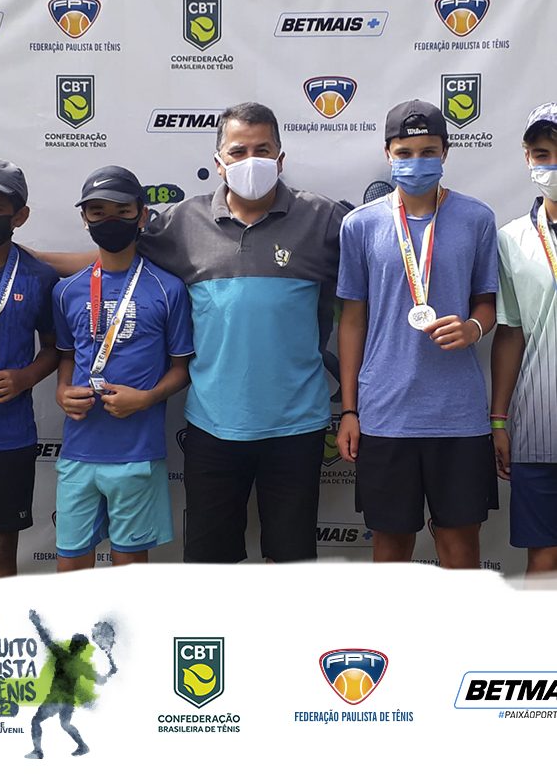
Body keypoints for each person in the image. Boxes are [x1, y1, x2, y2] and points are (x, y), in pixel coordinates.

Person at [138, 101, 348, 563]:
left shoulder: (323, 218)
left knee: (292, 561)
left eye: (262, 150)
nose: (250, 161)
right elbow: (117, 263)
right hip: (213, 424)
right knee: (211, 564)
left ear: (280, 158)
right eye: (238, 151)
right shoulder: (183, 222)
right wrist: (27, 261)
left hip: (297, 424)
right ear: (219, 162)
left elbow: (379, 276)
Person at [336, 99, 498, 568]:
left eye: (428, 152)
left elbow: (487, 304)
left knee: (461, 547)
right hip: (385, 413)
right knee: (390, 550)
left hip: (458, 413)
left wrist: (472, 328)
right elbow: (352, 320)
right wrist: (350, 409)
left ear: (445, 152)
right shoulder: (360, 225)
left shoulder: (477, 218)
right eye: (404, 153)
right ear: (388, 153)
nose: (416, 162)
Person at [52, 165, 193, 571]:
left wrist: (147, 398)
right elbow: (66, 355)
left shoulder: (169, 289)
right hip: (78, 449)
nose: (110, 220)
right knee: (70, 562)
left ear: (142, 215)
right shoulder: (66, 290)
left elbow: (182, 367)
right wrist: (62, 391)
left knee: (129, 565)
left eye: (122, 211)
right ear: (85, 218)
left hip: (137, 452)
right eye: (98, 212)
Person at [0, 158, 58, 584]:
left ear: (19, 216)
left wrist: (25, 377)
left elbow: (55, 349)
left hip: (7, 440)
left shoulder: (39, 276)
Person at [491, 102, 557, 575]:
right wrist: (499, 419)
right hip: (540, 425)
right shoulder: (511, 239)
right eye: (542, 154)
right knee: (544, 561)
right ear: (527, 156)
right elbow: (509, 332)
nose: (551, 165)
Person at [25, 609, 116, 759]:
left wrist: (36, 623)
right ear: (82, 649)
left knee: (36, 721)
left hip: (56, 698)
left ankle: (38, 751)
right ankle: (82, 746)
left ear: (74, 645)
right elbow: (100, 681)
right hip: (68, 701)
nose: (72, 644)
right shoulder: (82, 666)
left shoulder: (62, 655)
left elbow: (46, 639)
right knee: (65, 724)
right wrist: (111, 673)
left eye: (74, 642)